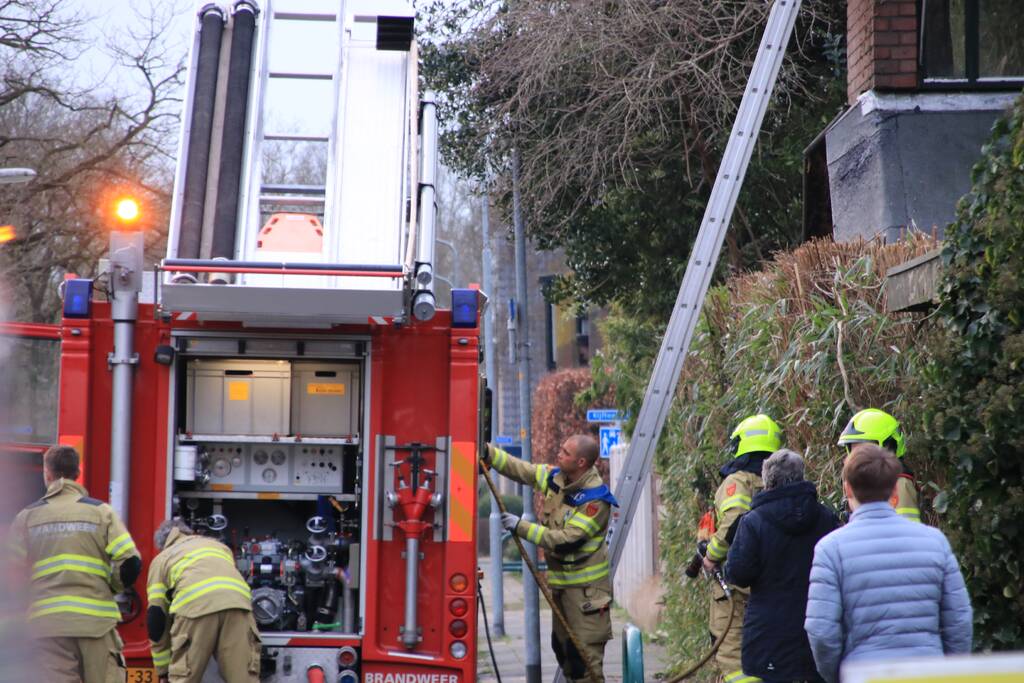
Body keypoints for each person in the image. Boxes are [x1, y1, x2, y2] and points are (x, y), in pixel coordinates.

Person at [804, 444, 972, 683]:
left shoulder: (830, 550)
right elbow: (959, 620)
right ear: (895, 488)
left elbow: (821, 632)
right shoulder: (935, 542)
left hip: (864, 674)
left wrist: (841, 675)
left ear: (847, 488)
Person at [482, 434, 617, 683]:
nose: (559, 454)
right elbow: (523, 470)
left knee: (585, 663)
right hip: (564, 588)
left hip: (586, 597)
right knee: (564, 651)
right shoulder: (558, 478)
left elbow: (565, 538)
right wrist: (487, 452)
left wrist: (520, 527)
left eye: (565, 453)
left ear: (581, 463)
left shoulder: (595, 501)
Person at [9, 445, 141, 682]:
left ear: (47, 474)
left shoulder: (27, 517)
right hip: (96, 624)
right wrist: (111, 587)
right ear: (77, 472)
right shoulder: (102, 513)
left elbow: (9, 572)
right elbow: (130, 562)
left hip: (48, 626)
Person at [725, 449, 838, 683]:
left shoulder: (753, 521)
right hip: (816, 630)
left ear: (768, 481)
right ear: (801, 477)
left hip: (768, 636)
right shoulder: (827, 518)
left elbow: (738, 574)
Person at [702, 413, 782, 683]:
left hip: (734, 587)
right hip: (773, 582)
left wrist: (712, 555)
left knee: (731, 654)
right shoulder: (783, 480)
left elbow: (734, 517)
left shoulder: (738, 481)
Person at [147, 518, 260, 683]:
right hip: (238, 606)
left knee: (184, 678)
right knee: (244, 679)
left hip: (195, 609)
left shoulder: (163, 558)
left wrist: (163, 670)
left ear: (164, 544)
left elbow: (156, 617)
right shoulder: (219, 547)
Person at [837, 408, 920, 521]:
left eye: (864, 449)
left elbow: (907, 532)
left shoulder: (900, 484)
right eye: (854, 449)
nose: (858, 457)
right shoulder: (857, 482)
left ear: (889, 445)